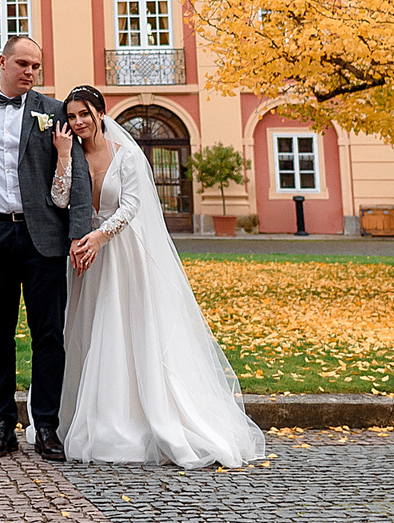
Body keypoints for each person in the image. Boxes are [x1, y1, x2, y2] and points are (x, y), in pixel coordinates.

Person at [55, 85, 269, 469]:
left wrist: (101, 236)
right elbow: (59, 200)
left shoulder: (128, 156)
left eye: (84, 114)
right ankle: (81, 415)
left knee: (123, 328)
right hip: (85, 255)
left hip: (120, 251)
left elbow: (133, 205)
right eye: (71, 116)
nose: (78, 122)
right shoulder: (73, 155)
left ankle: (131, 419)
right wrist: (62, 157)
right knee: (86, 329)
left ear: (100, 114)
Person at [0, 34, 94, 459]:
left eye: (36, 67)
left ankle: (46, 425)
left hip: (42, 237)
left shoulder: (52, 111)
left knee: (48, 334)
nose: (30, 72)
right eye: (23, 64)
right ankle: (1, 425)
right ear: (2, 62)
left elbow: (77, 175)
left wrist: (76, 234)